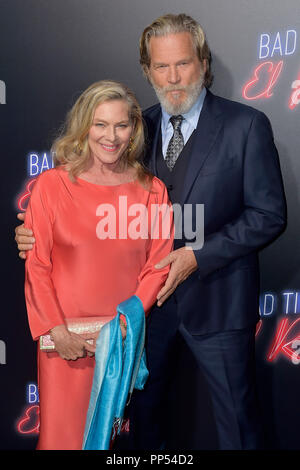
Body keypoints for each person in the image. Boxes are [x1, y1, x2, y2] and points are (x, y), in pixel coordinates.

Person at [15, 14, 287, 450]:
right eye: (161, 67)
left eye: (182, 63)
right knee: (144, 428)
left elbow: (269, 215)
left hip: (217, 304)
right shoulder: (138, 126)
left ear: (202, 62)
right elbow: (89, 209)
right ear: (147, 71)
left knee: (236, 423)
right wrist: (31, 234)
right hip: (144, 317)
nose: (173, 77)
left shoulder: (246, 126)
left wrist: (198, 255)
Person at [21, 79, 173, 450]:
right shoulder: (50, 187)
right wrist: (56, 331)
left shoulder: (153, 191)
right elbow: (37, 266)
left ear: (133, 130)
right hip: (64, 347)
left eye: (121, 125)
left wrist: (125, 326)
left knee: (113, 443)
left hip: (120, 345)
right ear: (84, 126)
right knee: (61, 439)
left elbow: (157, 265)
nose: (111, 136)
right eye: (100, 124)